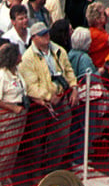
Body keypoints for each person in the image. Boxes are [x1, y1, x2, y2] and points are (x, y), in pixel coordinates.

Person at [18, 21, 78, 172]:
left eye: (47, 32)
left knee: (62, 137)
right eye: (42, 34)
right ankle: (35, 172)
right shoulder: (27, 58)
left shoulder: (59, 51)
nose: (46, 36)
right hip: (41, 105)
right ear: (33, 38)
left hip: (61, 100)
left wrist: (74, 88)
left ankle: (52, 169)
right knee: (36, 141)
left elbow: (69, 71)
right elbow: (30, 85)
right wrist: (48, 97)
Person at [0, 42, 26, 186]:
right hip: (4, 114)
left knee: (13, 150)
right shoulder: (0, 74)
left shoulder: (16, 71)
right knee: (3, 150)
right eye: (19, 55)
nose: (21, 57)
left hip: (19, 113)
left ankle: (5, 180)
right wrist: (12, 108)